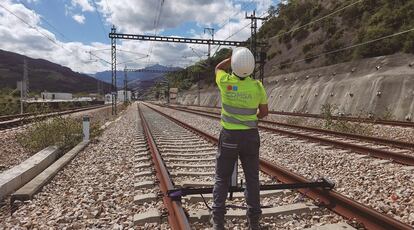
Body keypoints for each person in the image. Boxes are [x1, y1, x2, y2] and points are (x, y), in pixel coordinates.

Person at [212, 47, 269, 230]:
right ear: (252, 67)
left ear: (234, 65)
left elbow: (217, 68)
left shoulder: (226, 82)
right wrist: (251, 118)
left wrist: (231, 58)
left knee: (222, 178)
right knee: (252, 179)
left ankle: (218, 223)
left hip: (229, 136)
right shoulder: (257, 86)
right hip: (250, 137)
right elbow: (265, 112)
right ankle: (254, 222)